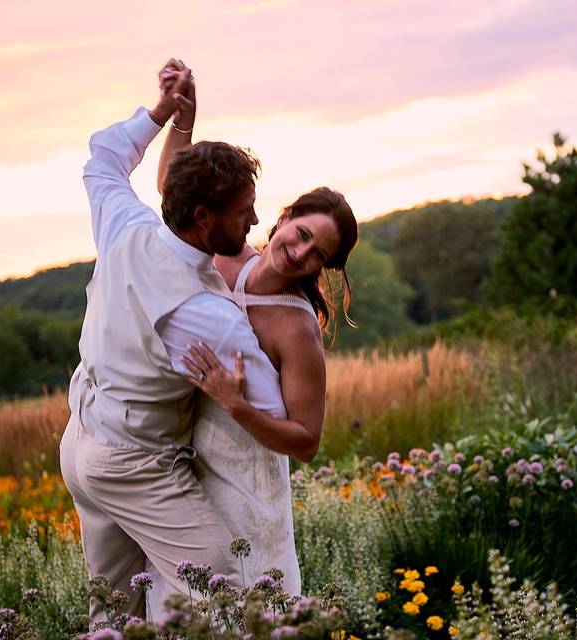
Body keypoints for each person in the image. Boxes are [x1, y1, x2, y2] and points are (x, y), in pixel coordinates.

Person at [59, 59, 332, 624]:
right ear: (204, 218)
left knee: (113, 612)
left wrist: (162, 115)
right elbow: (281, 414)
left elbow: (104, 158)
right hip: (135, 465)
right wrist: (238, 393)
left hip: (78, 445)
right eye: (243, 211)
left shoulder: (124, 223)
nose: (256, 220)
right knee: (224, 585)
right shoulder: (210, 316)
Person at [151, 61, 359, 602]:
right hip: (190, 468)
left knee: (251, 607)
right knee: (189, 607)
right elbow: (176, 200)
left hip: (248, 483)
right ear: (285, 217)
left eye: (321, 254)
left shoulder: (296, 330)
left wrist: (239, 406)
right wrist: (182, 120)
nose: (304, 252)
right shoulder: (224, 259)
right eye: (304, 233)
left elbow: (307, 442)